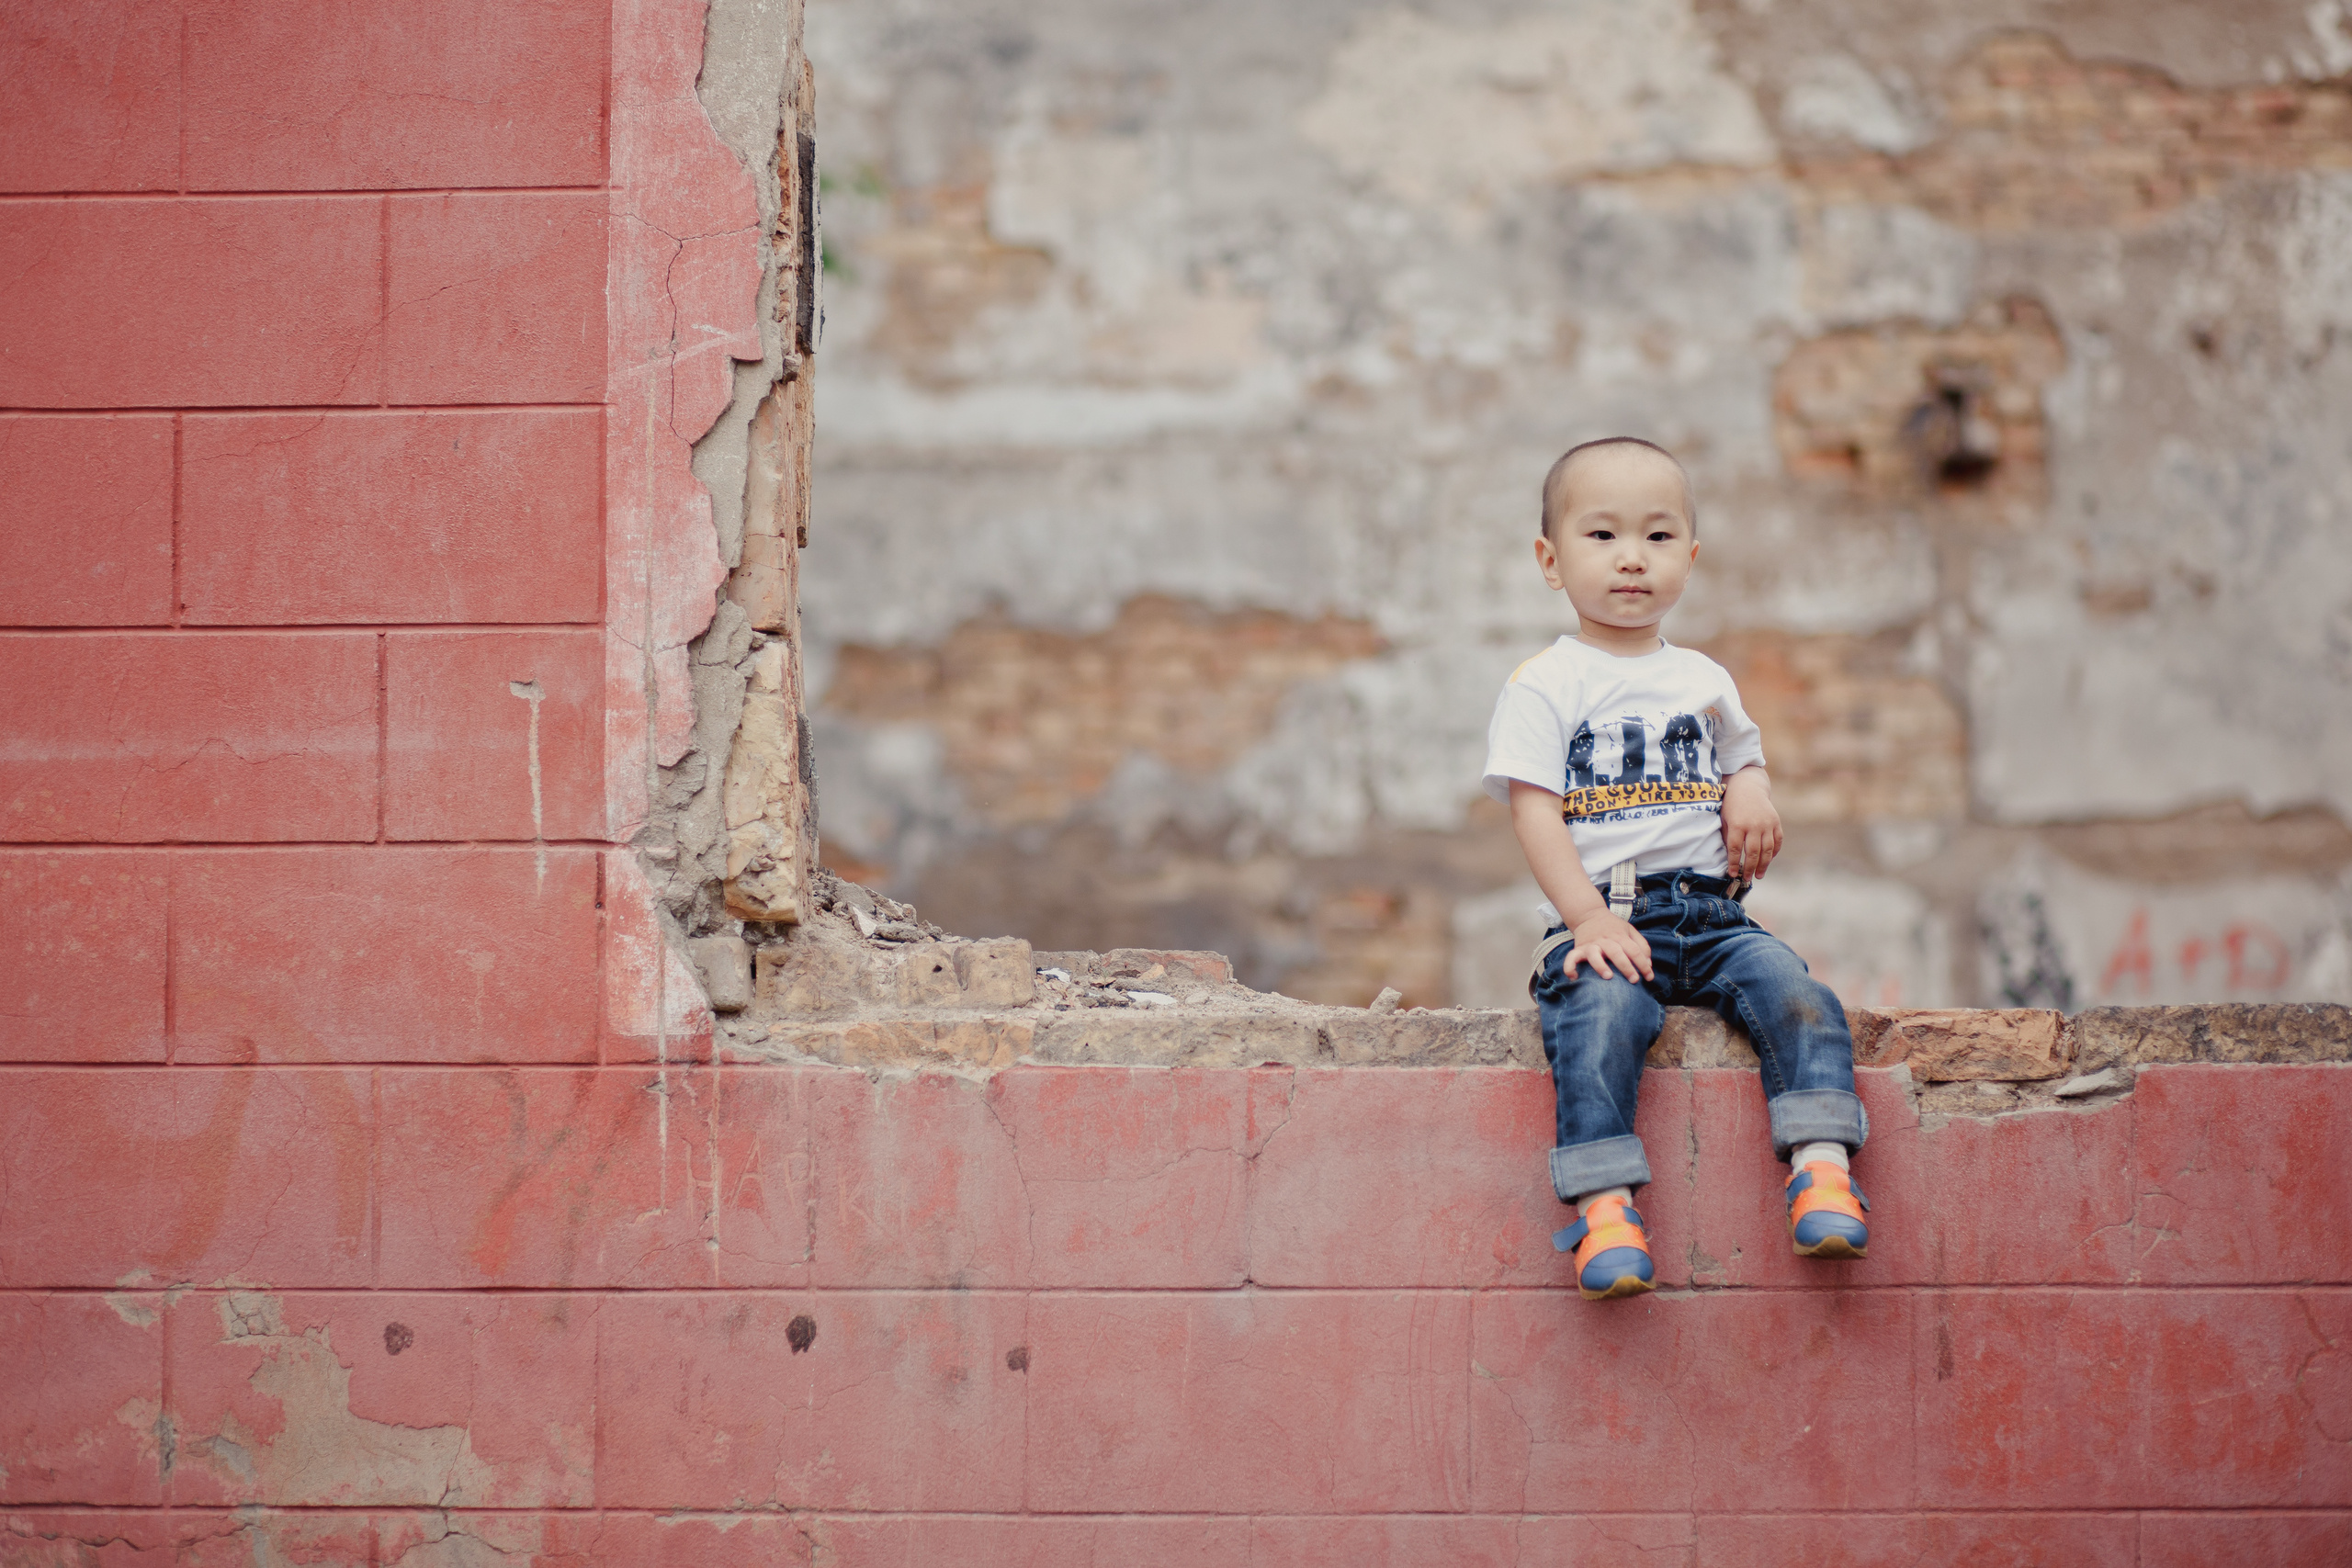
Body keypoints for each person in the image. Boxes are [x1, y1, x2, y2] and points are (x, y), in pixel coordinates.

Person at [1481, 437, 1873, 1302]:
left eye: (1659, 538)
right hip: (1612, 916)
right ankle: (1605, 1205)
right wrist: (1586, 918)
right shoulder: (1547, 682)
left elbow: (1744, 757)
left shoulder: (1702, 676)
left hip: (1716, 918)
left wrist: (1753, 792)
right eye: (1602, 536)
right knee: (1599, 1017)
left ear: (1690, 559)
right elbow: (1533, 809)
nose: (1632, 557)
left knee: (1797, 991)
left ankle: (1820, 1165)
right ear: (1550, 559)